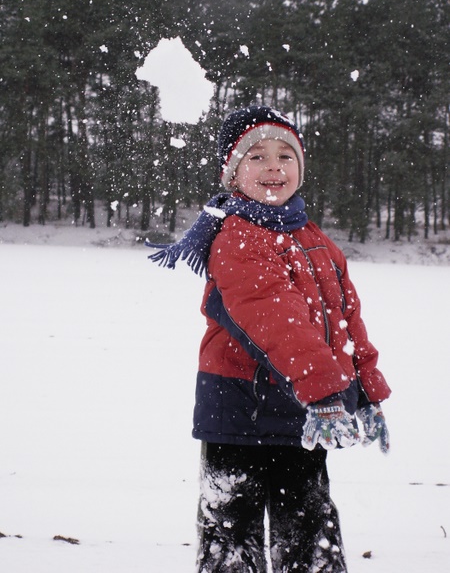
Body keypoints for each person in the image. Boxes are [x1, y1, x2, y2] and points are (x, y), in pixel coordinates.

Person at [148, 105, 391, 573]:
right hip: (241, 405)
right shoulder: (238, 235)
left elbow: (344, 320)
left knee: (310, 532)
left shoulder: (312, 236)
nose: (274, 166)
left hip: (305, 408)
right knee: (231, 534)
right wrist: (324, 392)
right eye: (256, 156)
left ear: (301, 168)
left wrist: (365, 392)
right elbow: (276, 320)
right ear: (231, 172)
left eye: (285, 154)